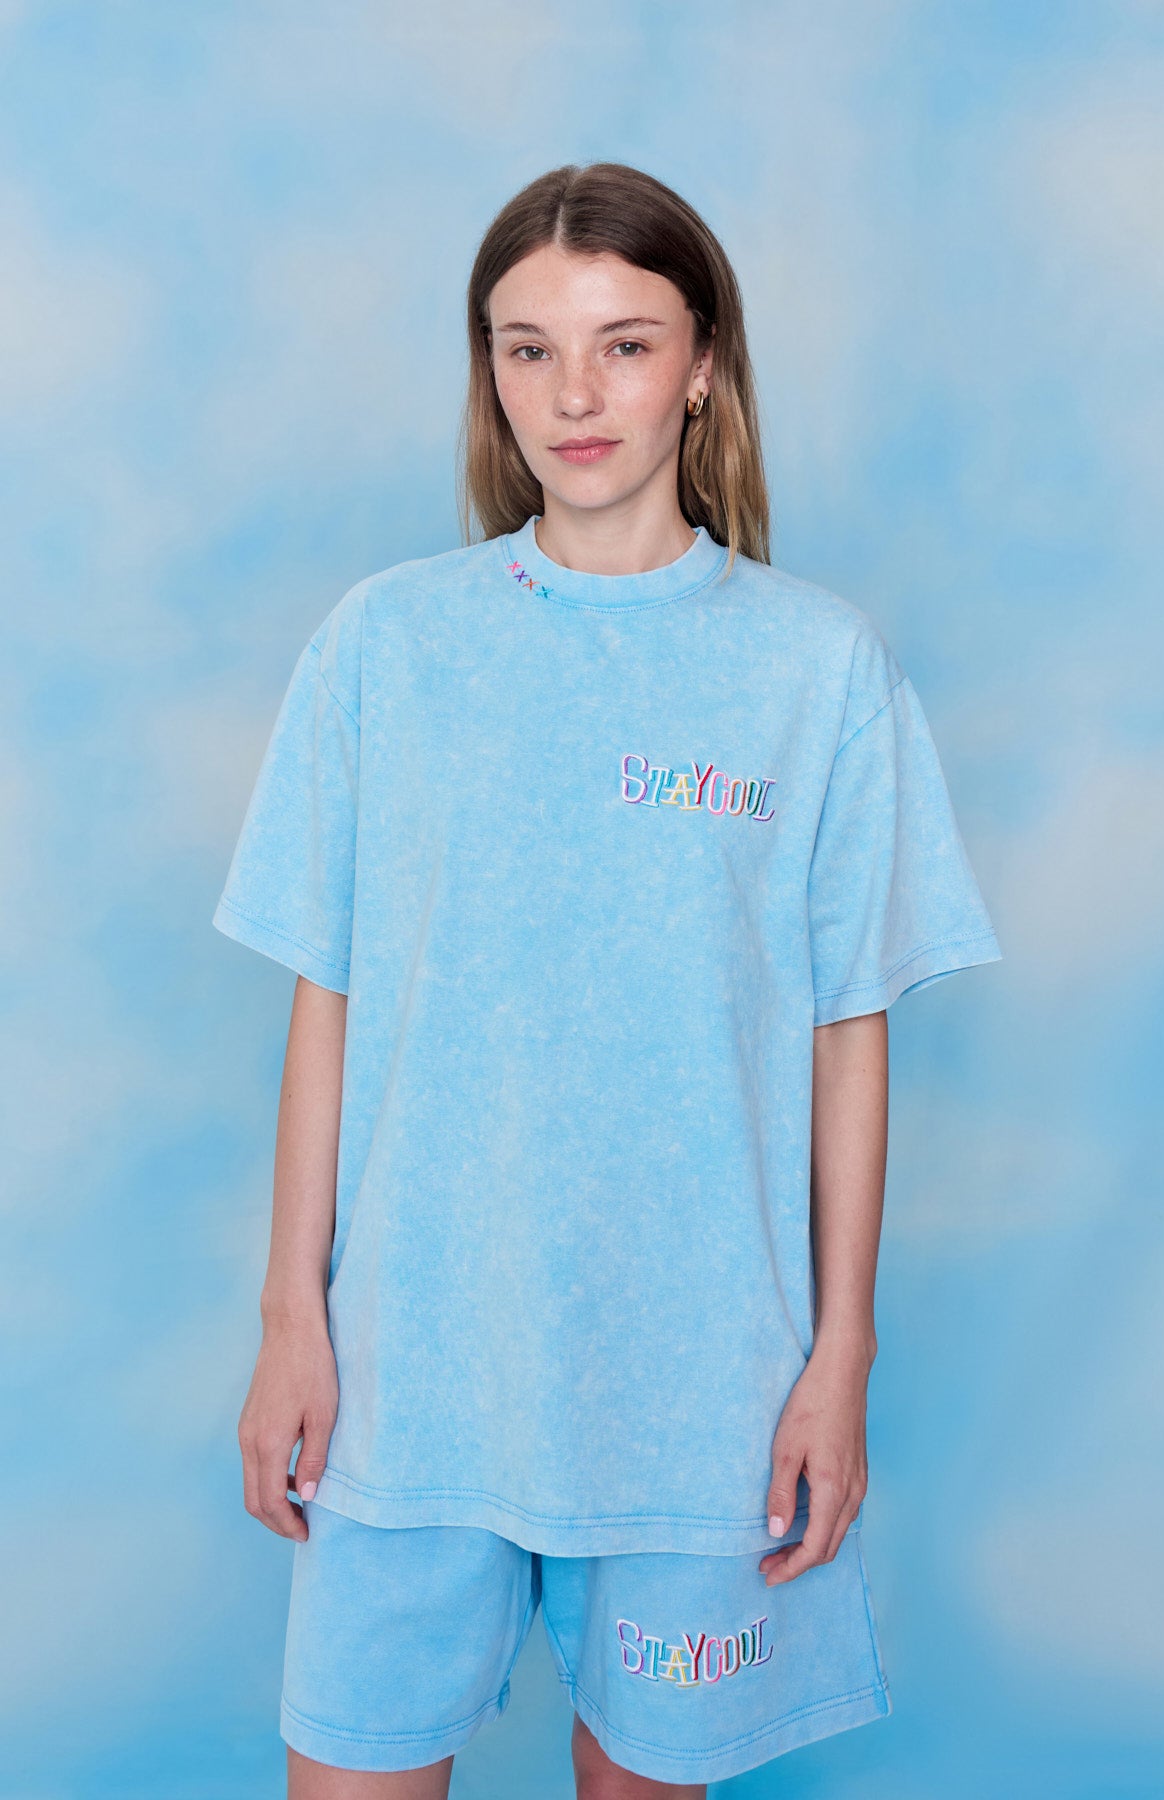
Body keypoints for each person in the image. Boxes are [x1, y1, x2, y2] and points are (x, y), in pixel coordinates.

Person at [213, 161, 1003, 1800]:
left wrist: (838, 1360)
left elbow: (844, 1043)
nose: (574, 395)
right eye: (529, 349)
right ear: (490, 374)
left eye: (624, 344)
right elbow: (328, 1003)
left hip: (697, 1387)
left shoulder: (817, 669)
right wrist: (294, 1318)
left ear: (702, 364)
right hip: (410, 1372)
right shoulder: (385, 646)